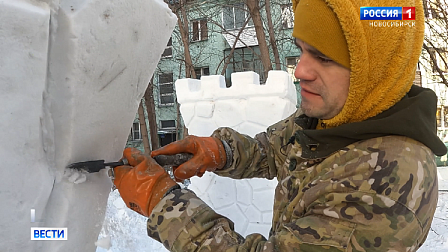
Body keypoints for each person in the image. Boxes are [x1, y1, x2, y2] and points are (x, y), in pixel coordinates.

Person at [112, 0, 447, 250]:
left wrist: (162, 201)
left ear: (373, 70)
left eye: (324, 58)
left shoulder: (384, 184)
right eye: (302, 51)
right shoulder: (341, 114)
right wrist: (220, 151)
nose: (300, 71)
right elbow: (275, 148)